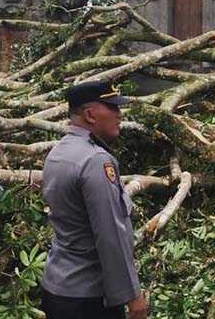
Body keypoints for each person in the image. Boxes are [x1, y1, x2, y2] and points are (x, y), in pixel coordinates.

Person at [41, 80, 149, 319]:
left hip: (57, 288)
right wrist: (132, 295)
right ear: (90, 114)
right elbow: (111, 235)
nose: (119, 115)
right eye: (112, 108)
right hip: (89, 298)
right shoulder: (96, 161)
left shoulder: (58, 153)